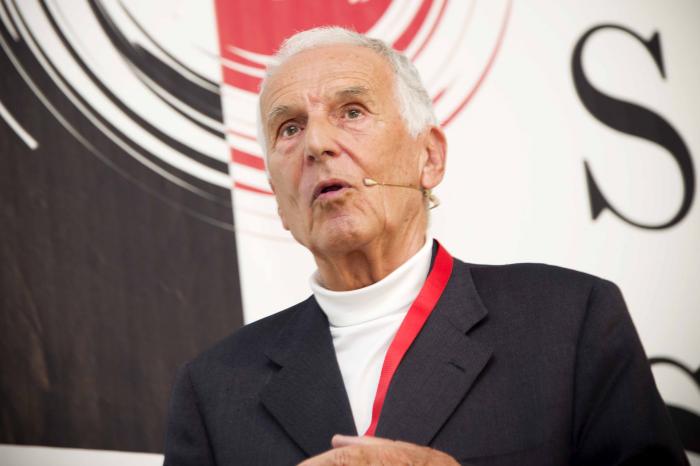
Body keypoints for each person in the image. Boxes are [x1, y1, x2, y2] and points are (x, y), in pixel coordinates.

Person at [163, 27, 688, 465]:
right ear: (279, 200)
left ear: (429, 158)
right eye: (290, 128)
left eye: (352, 112)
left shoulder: (569, 322)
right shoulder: (214, 391)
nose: (317, 145)